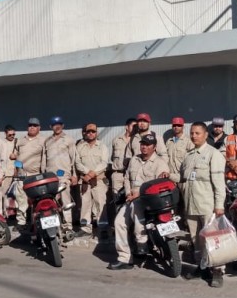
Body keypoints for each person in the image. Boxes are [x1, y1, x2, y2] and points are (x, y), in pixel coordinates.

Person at [180, 122, 227, 287]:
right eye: (192, 133)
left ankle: (217, 271)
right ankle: (202, 268)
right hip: (191, 206)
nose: (194, 136)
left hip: (208, 206)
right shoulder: (189, 155)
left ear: (206, 135)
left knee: (213, 240)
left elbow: (219, 183)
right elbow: (182, 179)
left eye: (197, 133)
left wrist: (219, 205)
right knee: (196, 240)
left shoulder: (213, 154)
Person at [109, 133, 166, 270]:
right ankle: (124, 258)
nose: (144, 147)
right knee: (119, 223)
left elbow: (160, 183)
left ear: (154, 147)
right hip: (131, 197)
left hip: (148, 200)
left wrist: (138, 193)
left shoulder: (160, 163)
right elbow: (127, 177)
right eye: (142, 144)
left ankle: (142, 243)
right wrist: (129, 192)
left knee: (136, 208)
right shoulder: (134, 159)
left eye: (148, 145)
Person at [10, 118, 46, 228]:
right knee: (21, 200)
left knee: (37, 200)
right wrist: (16, 169)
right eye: (30, 125)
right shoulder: (20, 140)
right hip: (22, 175)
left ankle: (37, 222)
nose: (32, 127)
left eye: (35, 125)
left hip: (35, 175)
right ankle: (21, 222)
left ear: (39, 128)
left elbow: (45, 158)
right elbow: (16, 156)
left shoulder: (44, 140)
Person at [75, 122, 109, 236]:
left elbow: (104, 163)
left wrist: (92, 173)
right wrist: (86, 173)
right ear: (85, 133)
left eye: (93, 131)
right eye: (88, 131)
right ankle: (85, 228)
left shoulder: (102, 146)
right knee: (85, 204)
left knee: (100, 203)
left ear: (96, 133)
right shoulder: (80, 147)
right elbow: (77, 162)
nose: (90, 134)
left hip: (98, 180)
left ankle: (103, 228)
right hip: (84, 180)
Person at [44, 116, 76, 233]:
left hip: (64, 176)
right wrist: (44, 174)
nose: (57, 126)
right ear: (50, 127)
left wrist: (74, 175)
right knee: (51, 202)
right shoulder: (47, 141)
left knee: (66, 201)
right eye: (54, 124)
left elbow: (74, 158)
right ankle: (54, 227)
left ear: (63, 126)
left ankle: (68, 227)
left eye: (59, 124)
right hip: (50, 177)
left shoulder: (69, 139)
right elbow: (44, 159)